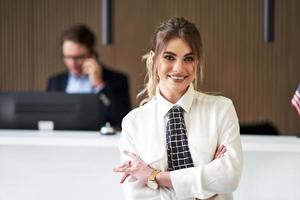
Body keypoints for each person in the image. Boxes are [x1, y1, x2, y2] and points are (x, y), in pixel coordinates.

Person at [113, 17, 243, 200]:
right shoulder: (134, 123)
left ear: (197, 63)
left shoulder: (221, 110)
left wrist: (155, 176)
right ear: (154, 59)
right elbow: (137, 196)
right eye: (169, 57)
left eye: (188, 58)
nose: (178, 68)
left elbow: (230, 177)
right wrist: (205, 191)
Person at [46, 24, 131, 128]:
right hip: (64, 139)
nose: (72, 63)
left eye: (78, 57)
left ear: (91, 54)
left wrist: (99, 85)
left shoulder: (117, 80)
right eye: (68, 57)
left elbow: (122, 119)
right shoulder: (54, 82)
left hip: (99, 141)